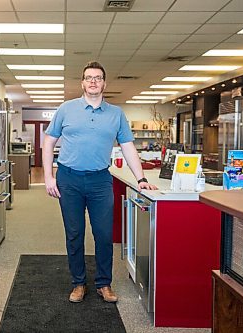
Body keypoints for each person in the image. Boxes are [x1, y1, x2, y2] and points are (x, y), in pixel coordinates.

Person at [42, 61, 158, 304]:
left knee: (104, 234)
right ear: (82, 83)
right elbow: (49, 142)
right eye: (88, 77)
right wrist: (48, 176)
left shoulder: (116, 114)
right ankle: (78, 283)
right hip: (69, 178)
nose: (93, 81)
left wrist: (142, 178)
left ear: (104, 83)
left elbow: (128, 147)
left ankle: (104, 284)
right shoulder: (66, 109)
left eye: (97, 77)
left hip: (100, 180)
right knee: (74, 234)